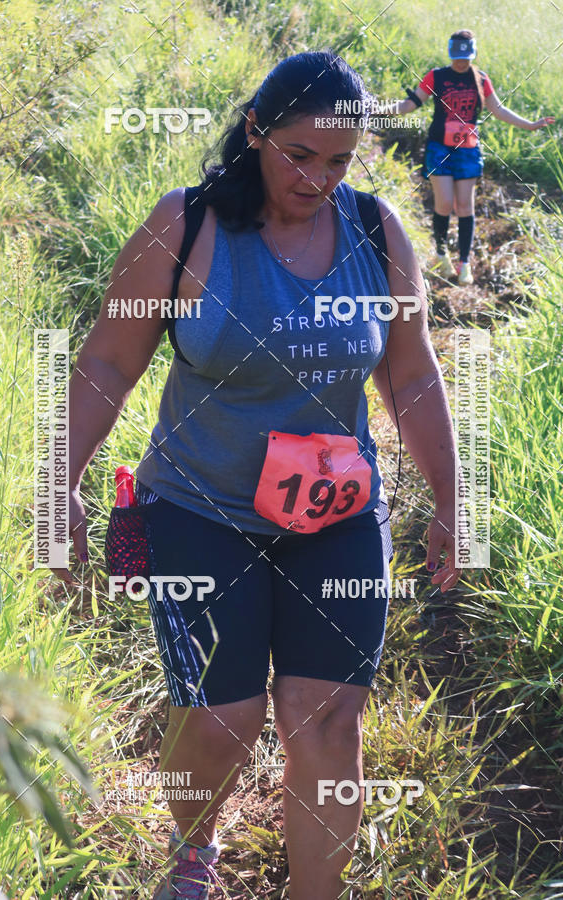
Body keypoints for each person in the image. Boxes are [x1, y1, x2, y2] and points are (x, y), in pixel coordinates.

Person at [53, 50, 462, 900]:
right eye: (300, 155)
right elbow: (104, 362)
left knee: (328, 719)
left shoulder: (377, 232)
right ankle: (194, 846)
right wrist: (59, 483)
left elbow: (413, 375)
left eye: (342, 161)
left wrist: (458, 501)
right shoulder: (188, 227)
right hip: (201, 507)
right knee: (220, 717)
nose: (320, 178)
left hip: (338, 511)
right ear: (255, 133)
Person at [396, 29, 554, 286]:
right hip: (440, 149)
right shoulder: (436, 76)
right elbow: (408, 106)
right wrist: (372, 109)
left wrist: (531, 125)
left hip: (468, 150)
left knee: (465, 207)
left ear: (473, 54)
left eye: (466, 56)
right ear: (450, 53)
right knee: (444, 203)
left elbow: (499, 110)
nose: (462, 61)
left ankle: (465, 263)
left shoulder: (481, 79)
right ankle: (441, 254)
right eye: (458, 56)